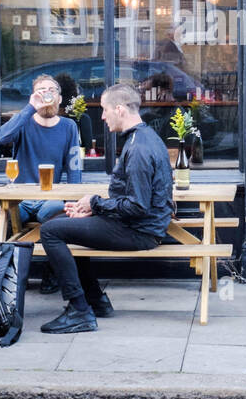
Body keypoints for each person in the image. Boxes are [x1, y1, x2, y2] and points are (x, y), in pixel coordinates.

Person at [37, 82, 174, 334]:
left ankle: (79, 310)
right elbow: (134, 201)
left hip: (140, 231)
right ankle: (96, 301)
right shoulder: (142, 138)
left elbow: (138, 206)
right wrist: (94, 208)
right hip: (137, 225)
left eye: (104, 109)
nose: (101, 116)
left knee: (50, 231)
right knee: (63, 223)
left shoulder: (139, 149)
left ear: (119, 109)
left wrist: (95, 203)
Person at [0, 75, 82, 244]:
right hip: (20, 200)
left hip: (50, 200)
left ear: (59, 98)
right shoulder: (24, 122)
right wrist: (31, 107)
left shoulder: (68, 126)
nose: (47, 94)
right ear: (33, 96)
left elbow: (75, 168)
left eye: (52, 91)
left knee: (60, 226)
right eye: (41, 91)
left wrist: (74, 202)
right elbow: (0, 137)